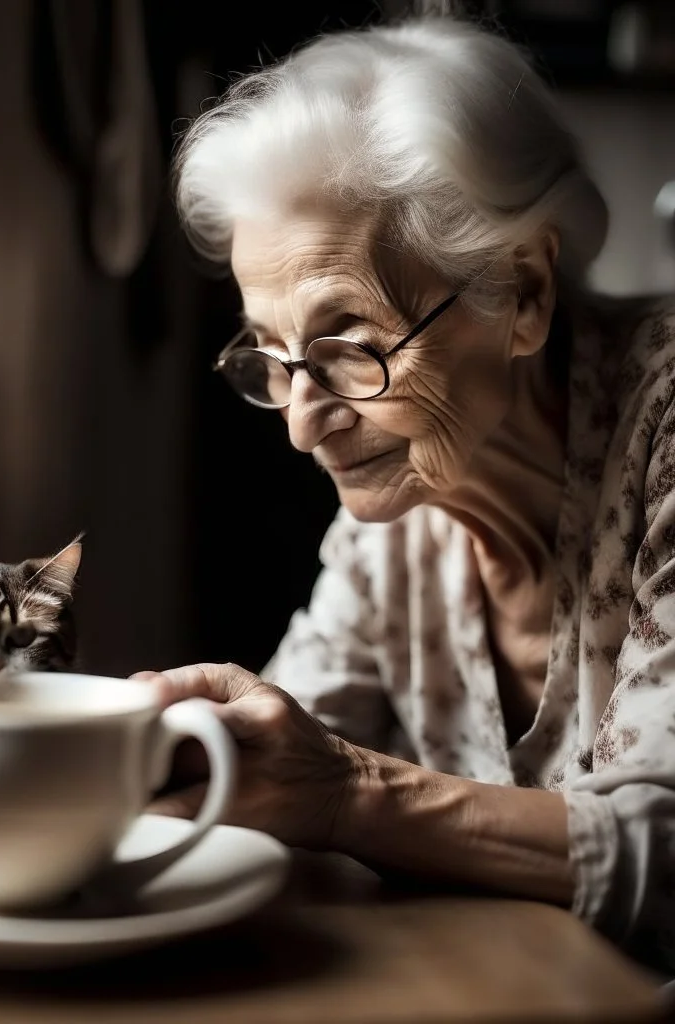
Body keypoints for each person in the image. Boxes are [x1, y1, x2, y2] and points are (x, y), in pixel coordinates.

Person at [134, 14, 675, 972]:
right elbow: (278, 761)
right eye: (271, 356)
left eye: (351, 342)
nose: (302, 422)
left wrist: (349, 793)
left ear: (525, 292)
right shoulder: (393, 524)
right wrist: (168, 756)